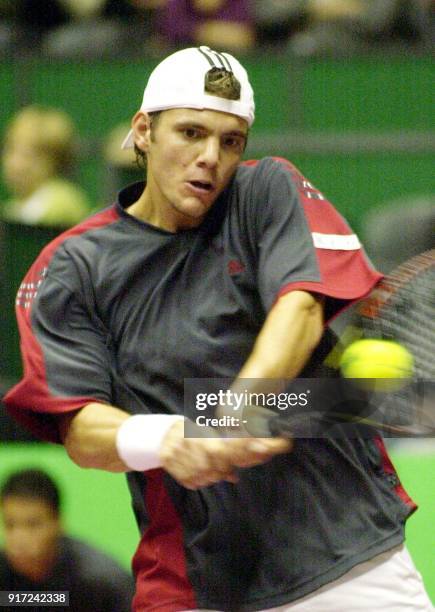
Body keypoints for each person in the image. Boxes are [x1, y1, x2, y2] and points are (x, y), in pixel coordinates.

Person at [3, 46, 433, 611]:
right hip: (193, 581)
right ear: (143, 131)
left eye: (230, 141)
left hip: (347, 556)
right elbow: (81, 429)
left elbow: (300, 309)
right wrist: (170, 437)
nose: (210, 157)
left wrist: (237, 406)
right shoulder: (72, 268)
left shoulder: (265, 192)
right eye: (190, 132)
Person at [0, 468, 135, 611]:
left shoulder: (104, 583)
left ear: (58, 523)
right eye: (10, 525)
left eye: (33, 524)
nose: (19, 539)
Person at [1, 105, 89, 227]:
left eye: (28, 155)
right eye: (11, 149)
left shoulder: (62, 201)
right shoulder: (12, 209)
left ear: (55, 160)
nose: (16, 163)